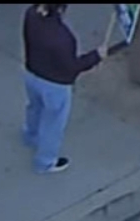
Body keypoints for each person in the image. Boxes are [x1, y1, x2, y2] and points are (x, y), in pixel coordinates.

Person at [23, 4, 105, 174]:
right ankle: (45, 162)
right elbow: (71, 68)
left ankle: (30, 135)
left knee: (34, 107)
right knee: (53, 124)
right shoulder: (63, 38)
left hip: (31, 74)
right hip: (55, 86)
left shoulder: (31, 15)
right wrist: (95, 56)